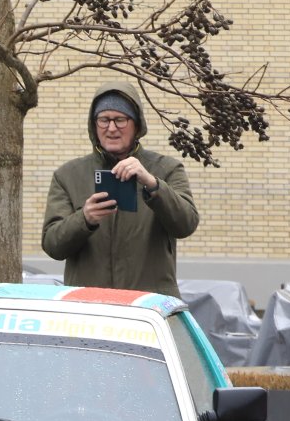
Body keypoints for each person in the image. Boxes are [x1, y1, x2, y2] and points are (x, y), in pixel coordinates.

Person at [41, 84, 199, 296]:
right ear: (94, 125)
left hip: (147, 305)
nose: (112, 128)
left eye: (120, 119)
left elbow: (186, 224)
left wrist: (153, 184)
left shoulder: (167, 169)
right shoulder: (68, 175)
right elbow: (52, 245)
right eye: (104, 119)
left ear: (137, 124)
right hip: (88, 305)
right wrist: (84, 219)